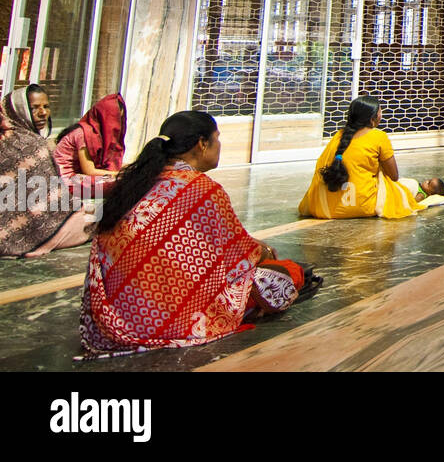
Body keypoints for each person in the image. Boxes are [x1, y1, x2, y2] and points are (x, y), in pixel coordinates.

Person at [80, 111, 319, 356]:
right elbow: (242, 257)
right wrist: (265, 251)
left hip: (114, 317)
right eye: (217, 138)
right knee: (287, 274)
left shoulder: (136, 182)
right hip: (170, 318)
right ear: (202, 144)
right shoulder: (203, 190)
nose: (219, 145)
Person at [299, 96, 444, 220]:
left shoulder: (338, 135)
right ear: (373, 118)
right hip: (361, 206)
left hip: (323, 207)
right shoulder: (378, 136)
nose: (382, 114)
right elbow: (393, 176)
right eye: (380, 111)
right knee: (402, 188)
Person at [0, 95, 96, 258]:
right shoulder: (30, 144)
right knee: (94, 217)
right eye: (34, 107)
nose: (43, 113)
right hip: (34, 226)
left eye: (46, 106)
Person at [53, 94, 126, 199]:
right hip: (65, 181)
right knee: (120, 184)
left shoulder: (98, 135)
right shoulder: (84, 134)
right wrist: (118, 174)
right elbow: (89, 171)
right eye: (114, 120)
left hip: (78, 177)